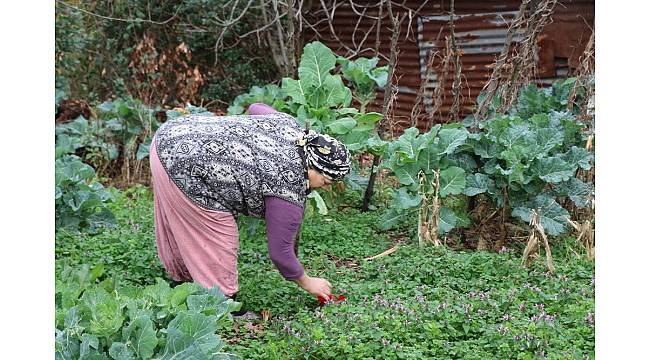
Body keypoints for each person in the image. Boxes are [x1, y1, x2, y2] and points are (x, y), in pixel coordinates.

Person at [149, 102, 351, 315]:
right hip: (184, 164)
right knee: (217, 236)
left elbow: (256, 107)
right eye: (327, 180)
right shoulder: (287, 189)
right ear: (311, 167)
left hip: (170, 136)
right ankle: (222, 308)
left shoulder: (290, 126)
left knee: (183, 223)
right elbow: (280, 253)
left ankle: (182, 285)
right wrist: (307, 282)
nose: (327, 187)